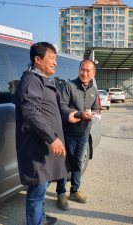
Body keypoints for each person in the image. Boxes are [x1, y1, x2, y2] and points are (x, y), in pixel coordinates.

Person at [12, 42, 80, 225]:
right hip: (38, 145)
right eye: (52, 58)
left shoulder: (43, 80)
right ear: (37, 59)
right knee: (37, 189)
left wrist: (68, 117)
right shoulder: (31, 80)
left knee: (44, 184)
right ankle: (35, 221)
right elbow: (31, 112)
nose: (55, 63)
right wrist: (52, 138)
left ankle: (40, 217)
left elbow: (51, 110)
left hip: (45, 145)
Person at [56, 59, 99, 210]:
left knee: (78, 164)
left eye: (88, 71)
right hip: (69, 132)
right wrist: (81, 114)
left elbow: (96, 108)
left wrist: (94, 115)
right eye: (82, 69)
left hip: (84, 133)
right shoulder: (69, 86)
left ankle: (74, 191)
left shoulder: (94, 90)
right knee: (65, 164)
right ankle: (61, 194)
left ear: (93, 73)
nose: (84, 73)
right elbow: (61, 107)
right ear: (79, 70)